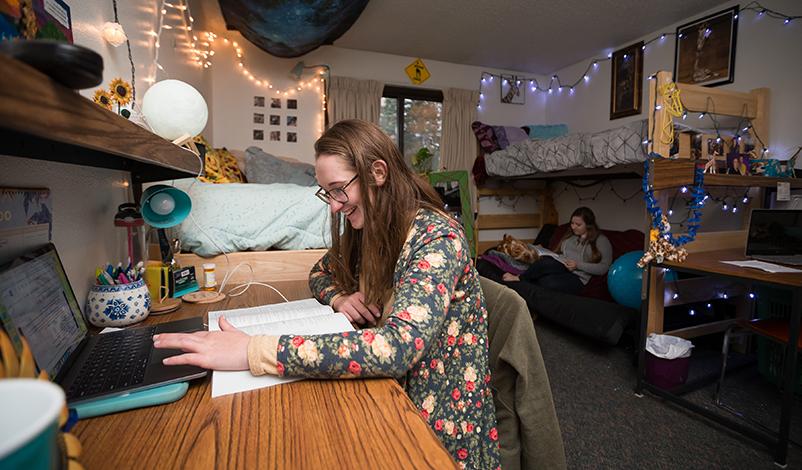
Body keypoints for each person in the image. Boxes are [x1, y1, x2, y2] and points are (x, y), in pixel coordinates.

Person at [153, 119, 501, 469]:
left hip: (438, 419)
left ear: (377, 172)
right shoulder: (370, 228)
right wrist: (339, 298)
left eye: (338, 189)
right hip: (395, 392)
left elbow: (397, 348)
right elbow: (319, 272)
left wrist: (253, 349)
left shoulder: (437, 237)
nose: (333, 205)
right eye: (327, 193)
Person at [502, 207, 612, 295]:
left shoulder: (601, 240)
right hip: (563, 266)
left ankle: (524, 282)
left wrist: (578, 265)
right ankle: (519, 278)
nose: (573, 227)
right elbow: (560, 254)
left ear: (588, 225)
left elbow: (604, 268)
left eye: (578, 225)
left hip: (578, 276)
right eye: (572, 223)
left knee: (548, 282)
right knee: (545, 261)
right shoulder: (571, 236)